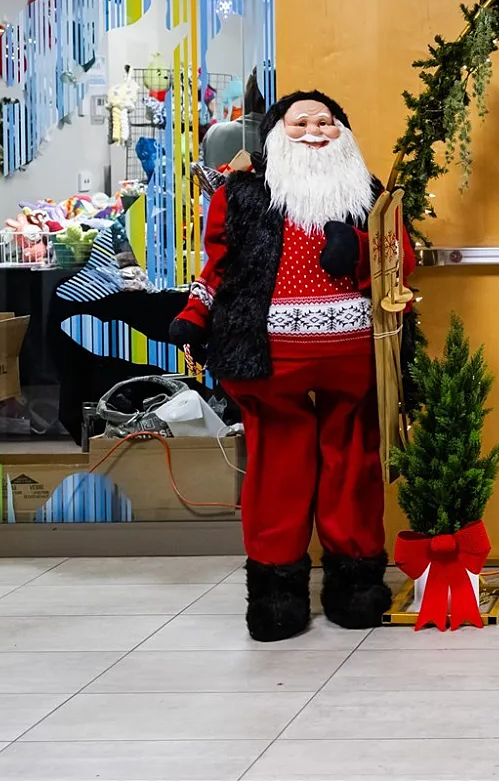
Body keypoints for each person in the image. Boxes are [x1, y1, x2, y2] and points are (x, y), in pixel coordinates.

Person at [169, 90, 412, 642]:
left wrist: (359, 248)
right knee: (278, 472)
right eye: (301, 123)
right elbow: (218, 266)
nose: (315, 131)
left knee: (352, 468)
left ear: (344, 133)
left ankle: (355, 582)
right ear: (277, 135)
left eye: (326, 122)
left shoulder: (368, 193)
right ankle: (276, 592)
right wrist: (194, 315)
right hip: (268, 362)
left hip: (353, 360)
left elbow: (400, 258)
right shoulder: (242, 195)